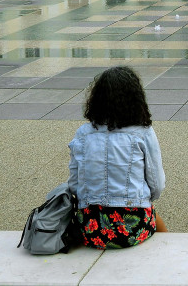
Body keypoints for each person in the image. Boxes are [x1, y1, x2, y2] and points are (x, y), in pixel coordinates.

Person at [68, 67, 166, 249]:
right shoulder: (143, 133)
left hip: (91, 229)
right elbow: (157, 184)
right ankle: (170, 252)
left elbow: (74, 184)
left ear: (96, 100)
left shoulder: (82, 134)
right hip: (132, 229)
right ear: (136, 99)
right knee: (153, 215)